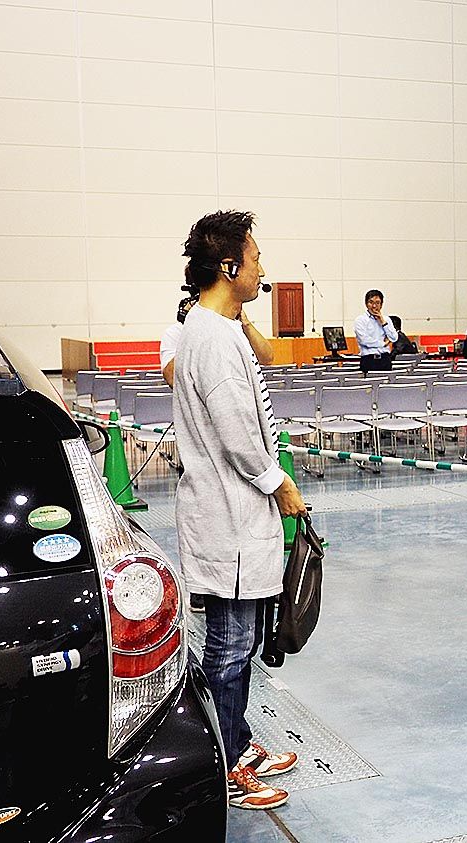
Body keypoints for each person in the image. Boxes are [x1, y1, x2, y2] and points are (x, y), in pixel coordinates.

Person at [174, 210, 307, 810]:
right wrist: (280, 484)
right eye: (255, 259)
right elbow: (238, 435)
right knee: (228, 651)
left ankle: (237, 740)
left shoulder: (215, 330)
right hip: (228, 519)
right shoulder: (212, 339)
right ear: (229, 267)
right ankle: (223, 766)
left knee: (241, 643)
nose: (262, 270)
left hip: (230, 516)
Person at [354, 289, 398, 374]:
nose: (374, 306)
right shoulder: (360, 320)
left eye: (377, 303)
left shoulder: (386, 319)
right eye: (371, 302)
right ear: (366, 304)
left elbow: (394, 338)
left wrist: (383, 322)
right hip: (368, 360)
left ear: (381, 304)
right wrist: (383, 343)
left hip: (385, 359)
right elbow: (364, 341)